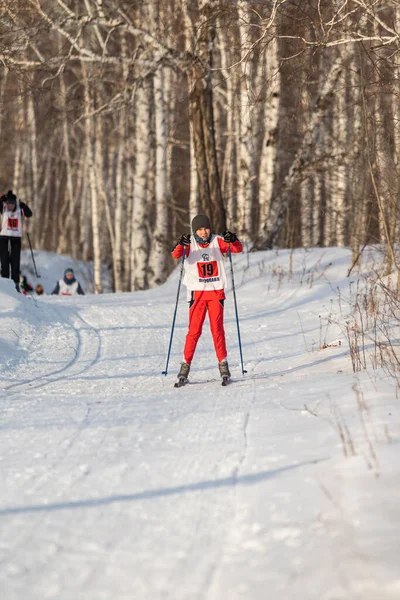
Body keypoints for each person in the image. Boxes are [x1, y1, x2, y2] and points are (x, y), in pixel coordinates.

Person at [171, 214, 243, 384]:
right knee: (194, 331)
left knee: (217, 330)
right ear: (194, 230)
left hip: (216, 293)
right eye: (200, 229)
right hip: (197, 294)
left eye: (206, 228)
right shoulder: (191, 243)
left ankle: (223, 364)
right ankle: (185, 366)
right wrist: (181, 244)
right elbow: (176, 255)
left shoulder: (217, 241)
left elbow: (236, 249)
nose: (204, 232)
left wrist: (233, 239)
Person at [0, 190, 33, 289]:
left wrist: (24, 206)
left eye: (12, 204)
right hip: (3, 237)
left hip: (15, 239)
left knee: (15, 262)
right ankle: (5, 284)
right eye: (9, 204)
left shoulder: (19, 208)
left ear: (15, 204)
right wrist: (2, 198)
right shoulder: (3, 207)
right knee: (4, 261)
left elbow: (29, 214)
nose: (10, 206)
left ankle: (16, 284)